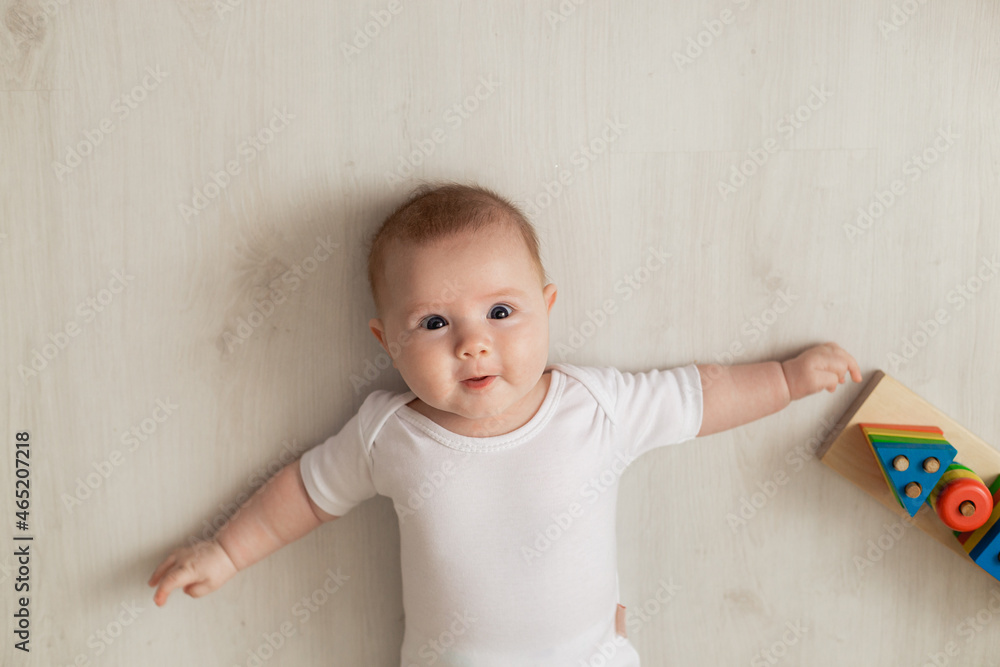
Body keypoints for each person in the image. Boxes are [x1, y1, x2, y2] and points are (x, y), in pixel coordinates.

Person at [148, 182, 862, 665]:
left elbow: (700, 396)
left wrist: (787, 379)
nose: (473, 342)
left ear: (547, 307)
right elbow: (302, 496)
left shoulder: (594, 405)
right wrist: (227, 551)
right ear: (386, 341)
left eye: (501, 311)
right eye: (433, 322)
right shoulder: (388, 434)